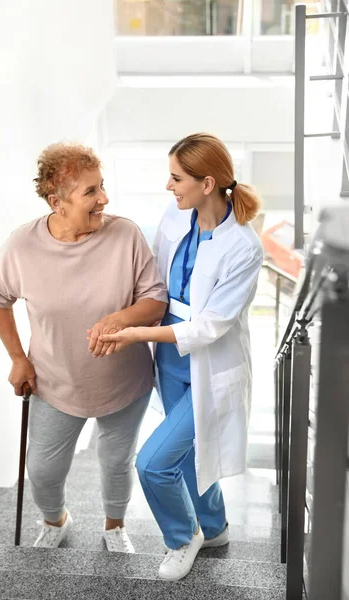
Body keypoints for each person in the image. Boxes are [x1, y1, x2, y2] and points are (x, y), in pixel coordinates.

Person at [0, 142, 168, 552]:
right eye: (90, 192)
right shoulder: (22, 246)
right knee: (43, 470)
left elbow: (155, 299)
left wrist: (120, 318)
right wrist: (18, 357)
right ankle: (56, 520)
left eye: (102, 187)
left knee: (117, 464)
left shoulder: (126, 235)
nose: (104, 199)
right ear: (57, 202)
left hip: (124, 382)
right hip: (54, 382)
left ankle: (115, 526)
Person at [95, 133, 264, 580]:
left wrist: (136, 333)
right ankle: (214, 526)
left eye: (176, 178)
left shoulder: (244, 247)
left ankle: (181, 535)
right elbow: (156, 277)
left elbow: (209, 326)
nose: (169, 187)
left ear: (207, 183)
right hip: (171, 361)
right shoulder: (175, 216)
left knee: (154, 463)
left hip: (210, 362)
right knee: (189, 454)